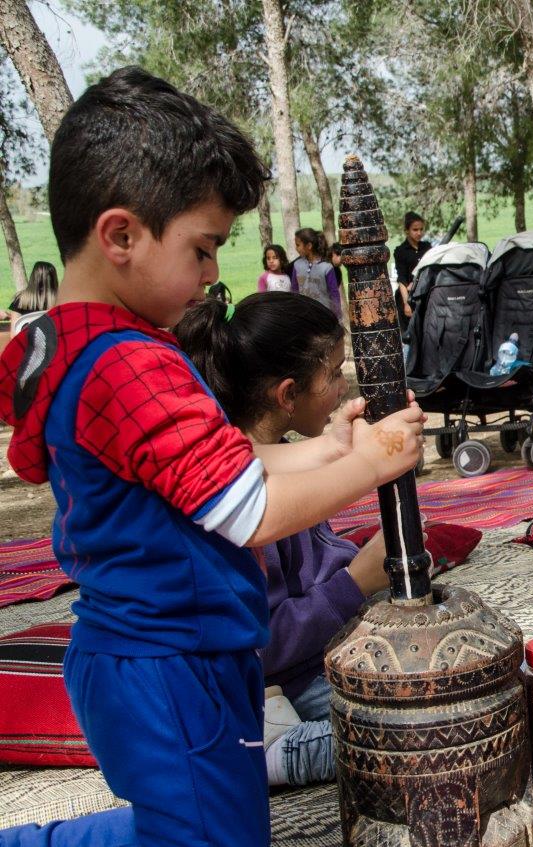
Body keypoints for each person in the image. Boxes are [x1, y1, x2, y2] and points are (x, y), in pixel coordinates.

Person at [0, 67, 426, 846]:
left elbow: (233, 464)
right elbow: (248, 512)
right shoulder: (131, 366)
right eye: (202, 249)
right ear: (121, 234)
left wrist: (332, 447)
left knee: (209, 829)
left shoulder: (80, 349)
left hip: (172, 653)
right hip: (169, 663)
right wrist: (370, 466)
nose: (208, 276)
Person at [174, 292, 389, 788]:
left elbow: (313, 563)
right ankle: (271, 754)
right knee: (407, 735)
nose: (342, 388)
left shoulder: (283, 454)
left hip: (329, 658)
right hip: (294, 678)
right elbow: (265, 643)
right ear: (288, 395)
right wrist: (355, 582)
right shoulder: (248, 498)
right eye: (334, 375)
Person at [291, 228, 343, 319]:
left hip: (324, 316)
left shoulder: (327, 267)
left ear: (309, 246)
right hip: (304, 316)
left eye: (298, 245)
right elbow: (294, 290)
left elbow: (334, 294)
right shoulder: (296, 265)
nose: (296, 248)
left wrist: (337, 317)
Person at [393, 211, 430, 332]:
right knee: (410, 334)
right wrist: (407, 303)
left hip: (425, 296)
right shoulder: (401, 251)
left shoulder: (427, 247)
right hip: (407, 297)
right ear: (407, 230)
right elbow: (402, 279)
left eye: (421, 229)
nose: (419, 233)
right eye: (415, 229)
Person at [7, 261, 59, 336]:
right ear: (54, 279)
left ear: (33, 278)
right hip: (55, 345)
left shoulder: (20, 300)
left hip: (27, 346)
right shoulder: (61, 300)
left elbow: (14, 334)